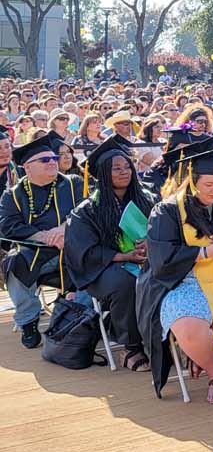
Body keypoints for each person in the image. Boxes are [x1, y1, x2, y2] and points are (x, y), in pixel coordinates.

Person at [135, 135, 213, 404]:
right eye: (208, 184)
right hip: (181, 281)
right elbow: (160, 258)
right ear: (192, 180)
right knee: (188, 324)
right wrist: (203, 252)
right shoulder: (167, 211)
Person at [63, 138, 154, 370]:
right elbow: (85, 251)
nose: (124, 172)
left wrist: (150, 242)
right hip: (104, 268)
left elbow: (164, 231)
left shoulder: (147, 199)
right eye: (116, 168)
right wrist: (124, 256)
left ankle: (161, 341)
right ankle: (131, 346)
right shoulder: (87, 211)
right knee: (125, 282)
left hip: (145, 259)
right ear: (103, 173)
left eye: (127, 167)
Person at [0, 132, 83, 347]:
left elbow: (87, 211)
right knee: (14, 261)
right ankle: (28, 321)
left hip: (73, 248)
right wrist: (44, 236)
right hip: (36, 251)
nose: (52, 163)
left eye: (54, 158)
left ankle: (78, 318)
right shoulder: (13, 195)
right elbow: (9, 225)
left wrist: (65, 229)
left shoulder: (73, 183)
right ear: (27, 167)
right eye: (45, 160)